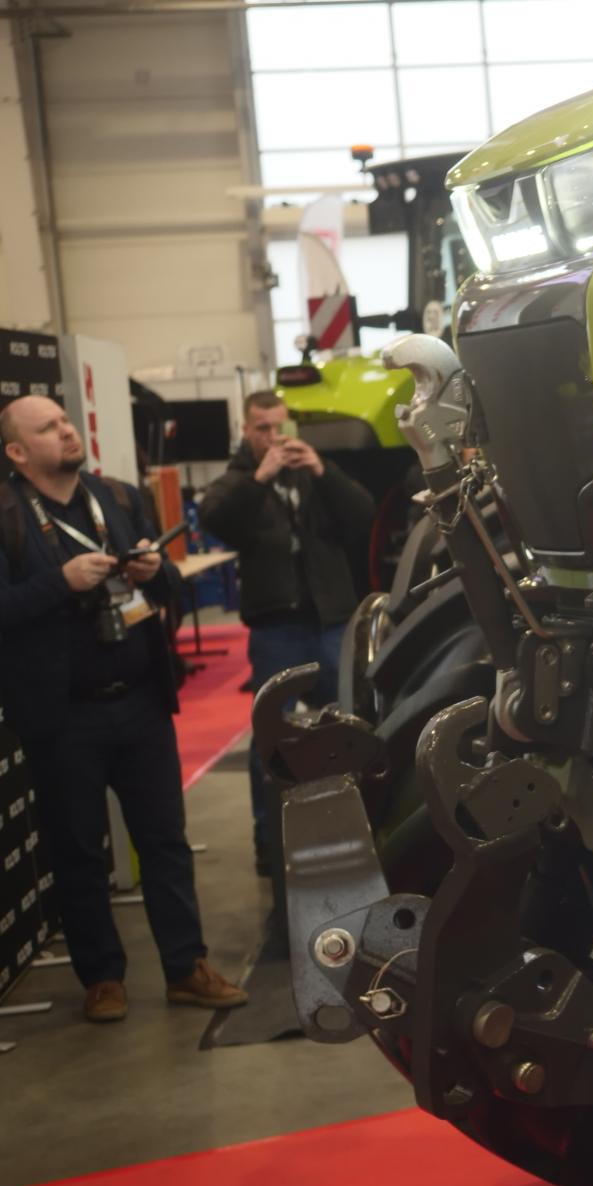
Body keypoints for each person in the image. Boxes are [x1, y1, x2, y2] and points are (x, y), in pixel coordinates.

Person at [0, 395, 247, 1023]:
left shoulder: (116, 497)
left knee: (165, 842)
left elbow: (168, 586)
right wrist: (61, 582)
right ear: (18, 452)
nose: (66, 431)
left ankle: (186, 967)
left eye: (65, 420)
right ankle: (102, 979)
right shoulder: (8, 516)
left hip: (140, 702)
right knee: (79, 852)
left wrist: (154, 570)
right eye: (48, 428)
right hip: (64, 716)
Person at [200, 392, 373, 875]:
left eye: (280, 426)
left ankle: (358, 826)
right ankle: (269, 841)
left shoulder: (313, 471)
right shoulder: (238, 479)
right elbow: (216, 519)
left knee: (347, 726)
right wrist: (260, 479)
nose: (274, 437)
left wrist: (322, 470)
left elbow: (362, 515)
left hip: (330, 621)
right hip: (277, 627)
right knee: (270, 738)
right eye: (262, 428)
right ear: (245, 429)